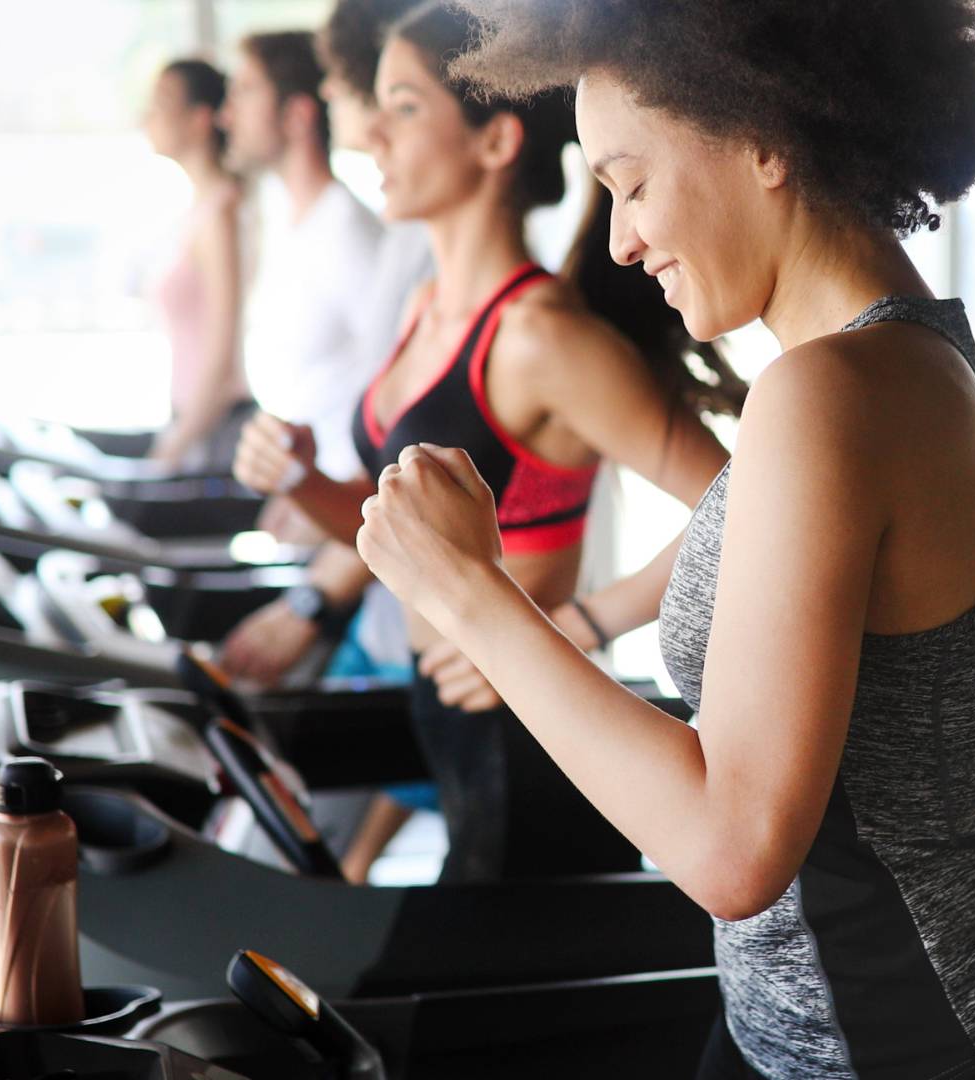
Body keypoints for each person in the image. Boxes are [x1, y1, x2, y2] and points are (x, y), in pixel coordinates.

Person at [354, 1, 975, 1076]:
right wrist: (890, 665)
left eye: (633, 183)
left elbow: (733, 854)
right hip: (920, 1014)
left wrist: (475, 597)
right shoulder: (916, 360)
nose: (623, 239)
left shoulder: (826, 392)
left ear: (764, 136)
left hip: (910, 1042)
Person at [232, 2, 740, 884]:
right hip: (448, 723)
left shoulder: (540, 336)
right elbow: (402, 536)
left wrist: (584, 623)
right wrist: (306, 481)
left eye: (404, 107)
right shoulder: (426, 308)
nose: (371, 140)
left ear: (495, 143)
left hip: (530, 746)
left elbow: (745, 502)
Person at [219, 30, 384, 525]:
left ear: (297, 114)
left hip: (349, 521)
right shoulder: (288, 221)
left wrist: (326, 499)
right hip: (306, 507)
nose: (227, 115)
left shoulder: (349, 235)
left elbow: (401, 406)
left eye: (246, 91)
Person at [138, 58, 252, 470]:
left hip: (211, 430)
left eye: (162, 102)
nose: (147, 116)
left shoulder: (221, 212)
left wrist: (175, 445)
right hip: (189, 420)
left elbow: (223, 352)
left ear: (201, 118)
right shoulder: (198, 209)